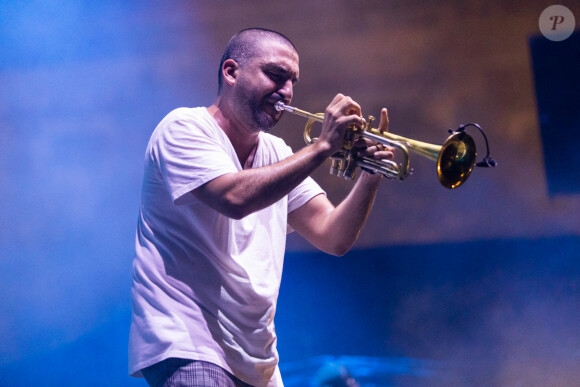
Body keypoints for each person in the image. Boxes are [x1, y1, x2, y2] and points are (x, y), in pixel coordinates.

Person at [129, 28, 393, 387]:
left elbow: (334, 236)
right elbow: (234, 199)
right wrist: (321, 148)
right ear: (231, 72)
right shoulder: (182, 129)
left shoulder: (278, 154)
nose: (286, 91)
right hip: (190, 342)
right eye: (275, 75)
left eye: (292, 81)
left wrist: (370, 176)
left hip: (258, 363)